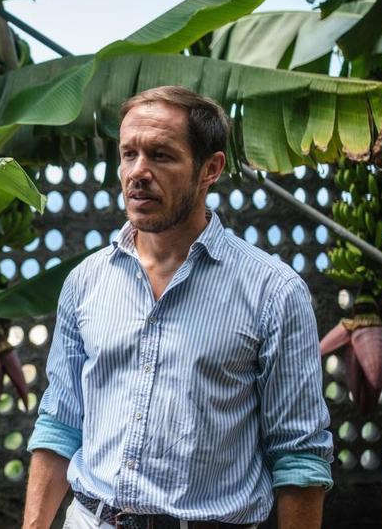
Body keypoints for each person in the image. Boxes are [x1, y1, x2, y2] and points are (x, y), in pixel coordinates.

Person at [21, 86, 333, 529]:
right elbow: (60, 422)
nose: (138, 172)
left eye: (161, 156)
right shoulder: (86, 282)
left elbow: (299, 456)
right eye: (128, 154)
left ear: (211, 169)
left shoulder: (273, 292)